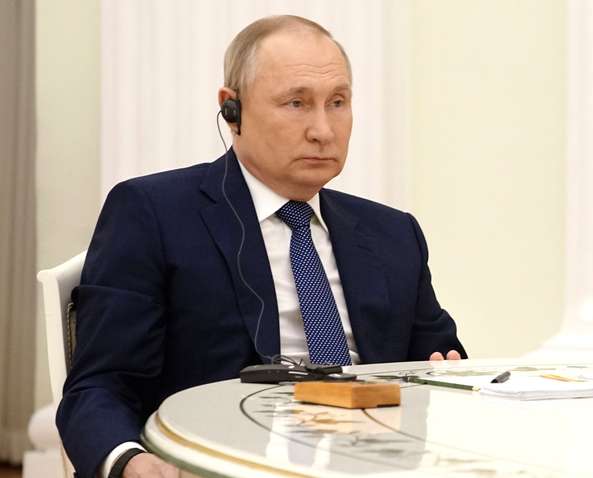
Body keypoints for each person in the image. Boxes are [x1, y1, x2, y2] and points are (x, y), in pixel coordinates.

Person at [56, 15, 466, 478]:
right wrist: (129, 462)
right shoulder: (153, 213)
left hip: (372, 462)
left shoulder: (393, 234)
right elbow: (100, 386)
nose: (323, 130)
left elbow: (441, 363)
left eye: (337, 102)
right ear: (232, 110)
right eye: (296, 103)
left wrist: (446, 374)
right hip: (219, 463)